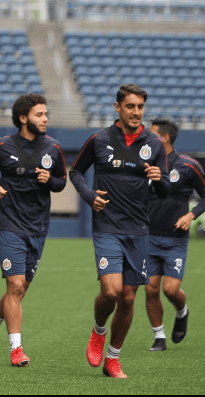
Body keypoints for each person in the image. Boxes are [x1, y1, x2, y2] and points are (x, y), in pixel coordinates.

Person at [70, 84, 170, 379]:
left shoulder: (154, 143)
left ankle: (113, 359)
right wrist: (88, 196)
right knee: (111, 291)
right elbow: (74, 172)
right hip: (107, 226)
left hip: (138, 229)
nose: (136, 112)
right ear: (118, 108)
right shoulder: (99, 139)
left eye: (140, 107)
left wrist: (159, 178)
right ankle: (99, 330)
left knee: (128, 297)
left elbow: (164, 190)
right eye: (130, 106)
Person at [0, 94, 67, 367]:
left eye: (46, 114)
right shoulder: (3, 145)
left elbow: (62, 182)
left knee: (20, 289)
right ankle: (17, 349)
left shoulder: (54, 148)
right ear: (24, 118)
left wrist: (51, 180)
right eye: (40, 114)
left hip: (38, 226)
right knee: (14, 285)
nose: (45, 119)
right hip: (9, 224)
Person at [144, 119, 204, 350]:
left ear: (164, 138)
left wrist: (191, 215)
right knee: (150, 289)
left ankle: (182, 311)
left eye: (152, 134)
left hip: (175, 240)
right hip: (149, 237)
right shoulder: (145, 164)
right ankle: (159, 337)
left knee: (170, 289)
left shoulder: (189, 165)